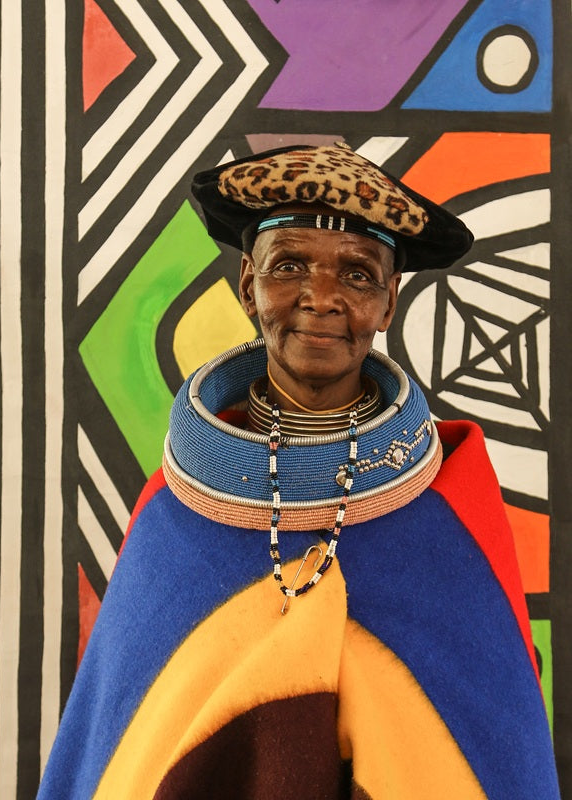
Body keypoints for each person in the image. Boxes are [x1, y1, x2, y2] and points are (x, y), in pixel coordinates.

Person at [37, 143, 560, 799]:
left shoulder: (449, 514)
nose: (321, 298)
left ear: (389, 303)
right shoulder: (177, 513)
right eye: (289, 266)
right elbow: (125, 752)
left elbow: (487, 752)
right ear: (247, 285)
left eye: (358, 274)